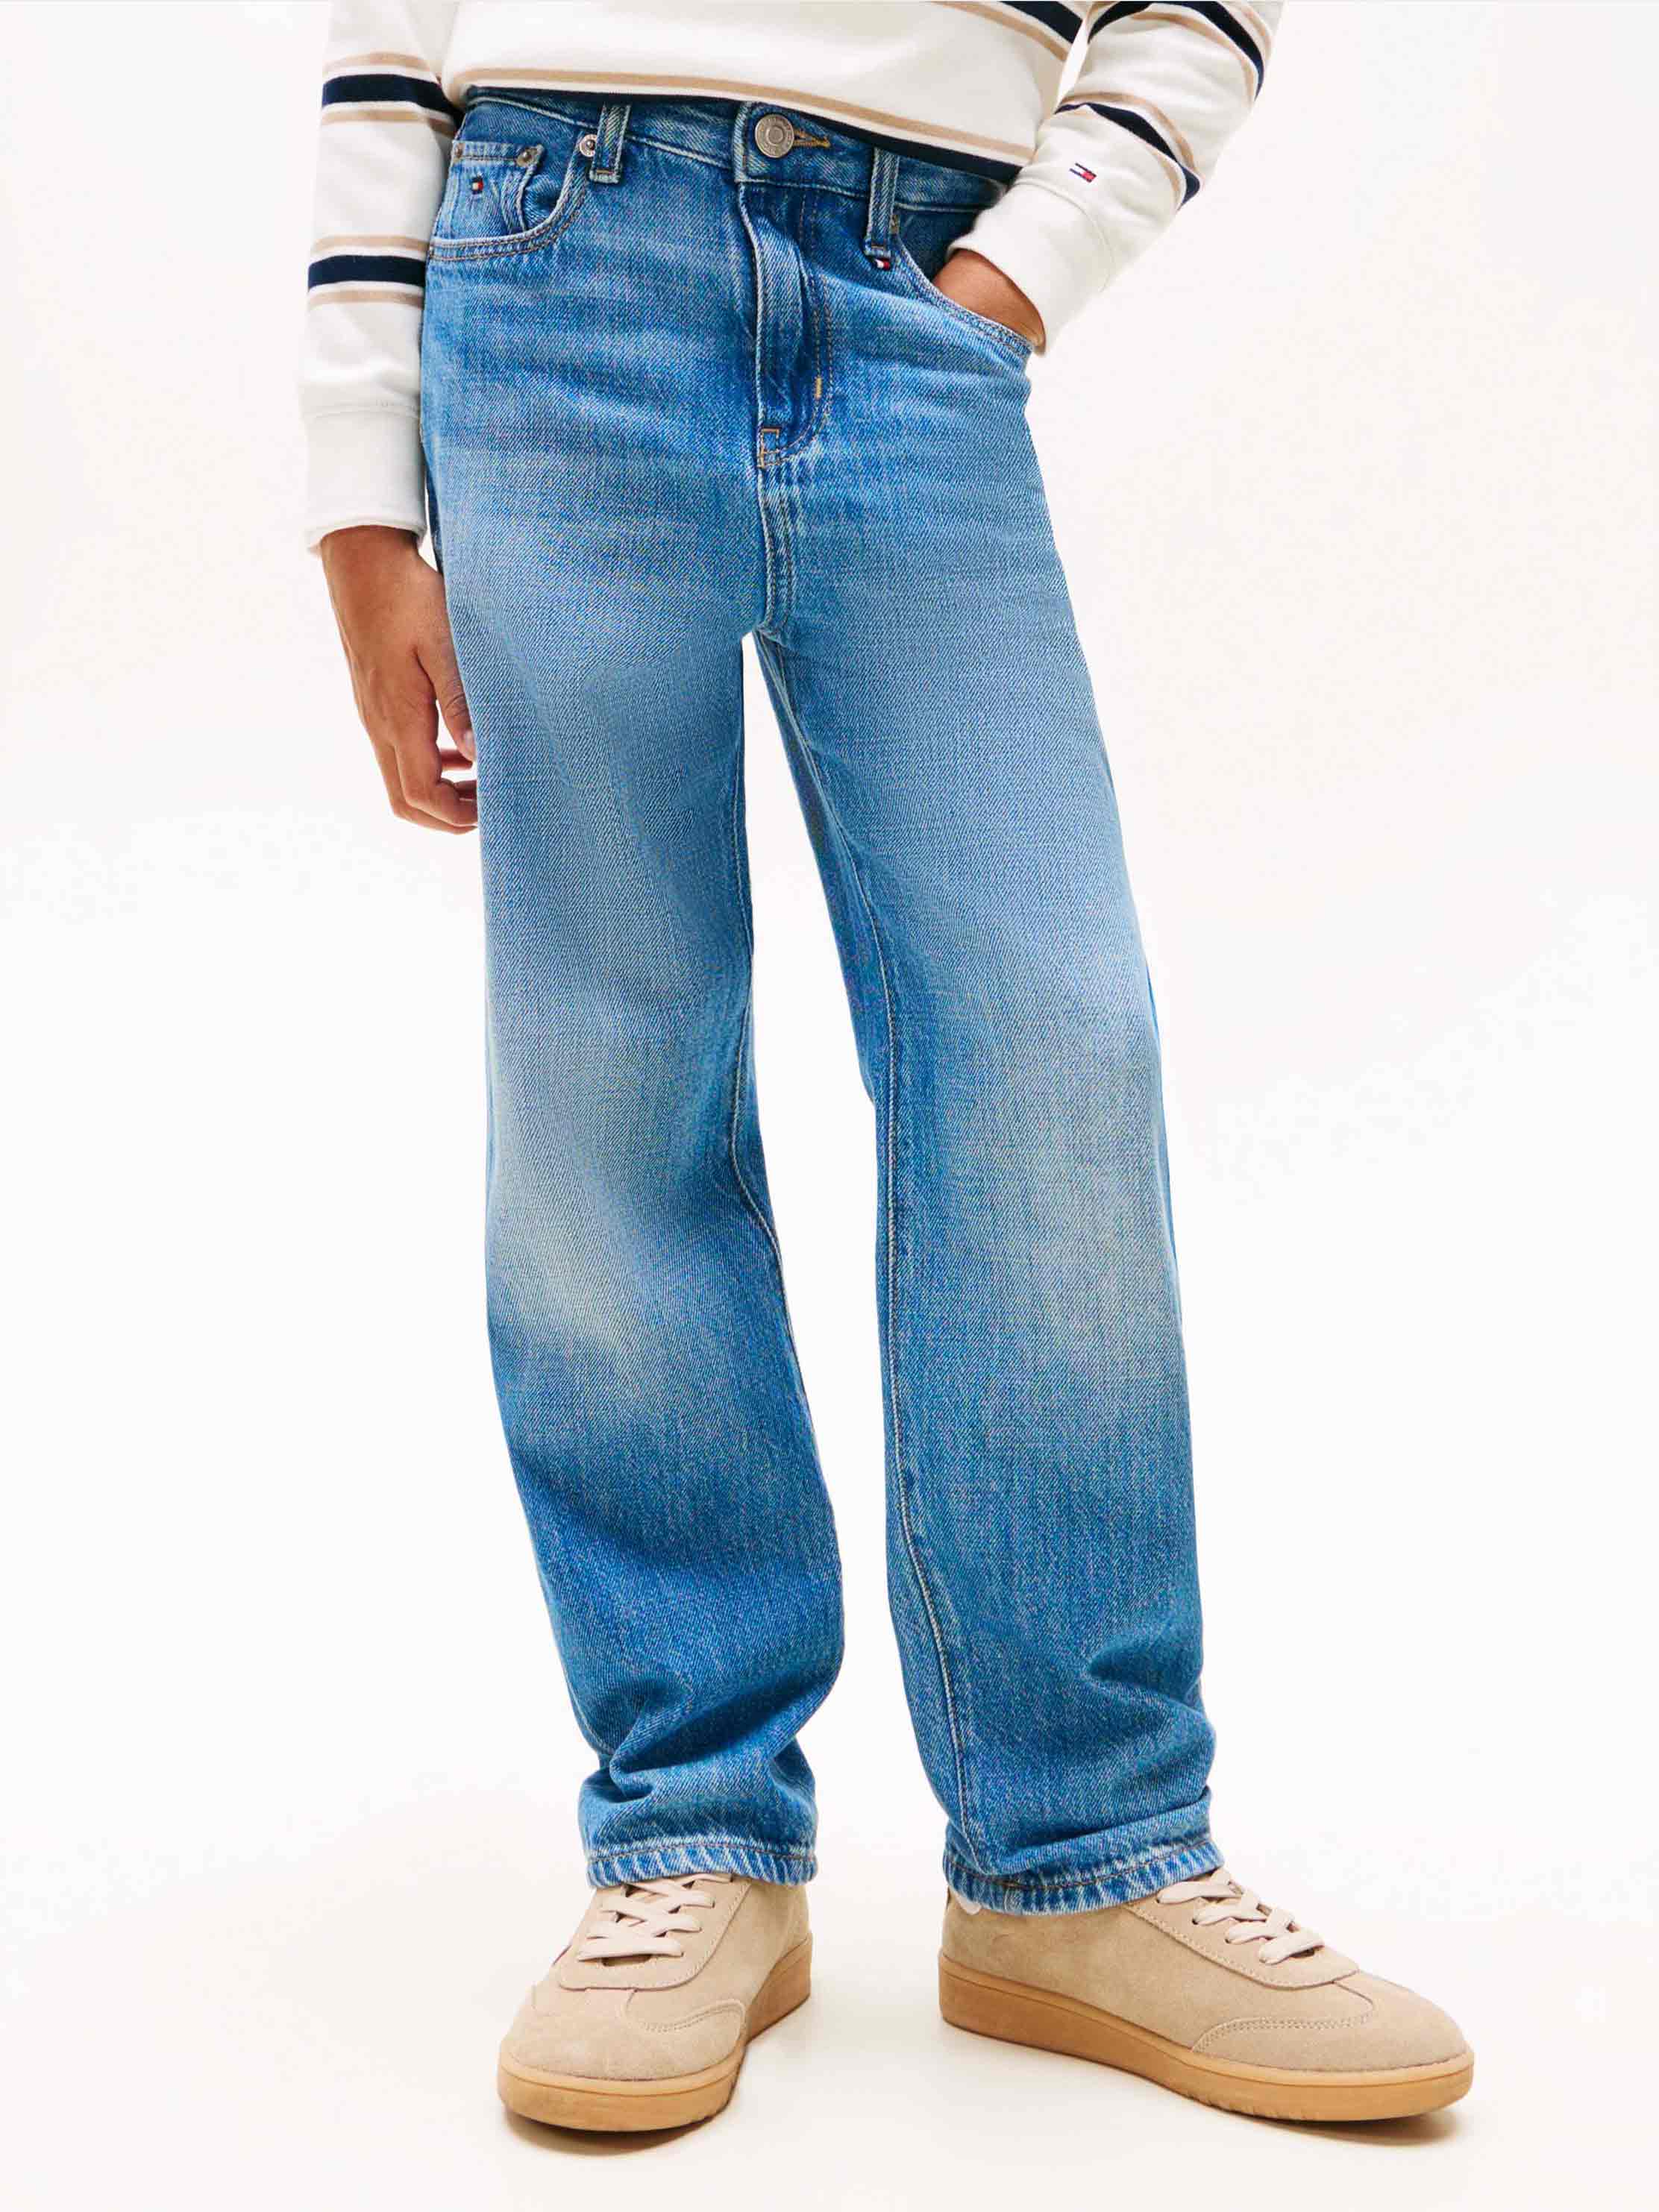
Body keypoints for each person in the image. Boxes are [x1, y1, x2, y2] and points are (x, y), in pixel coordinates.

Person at [305, 1, 1471, 2132]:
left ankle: (1085, 1855)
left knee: (1051, 1038)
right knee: (611, 1071)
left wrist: (1021, 267)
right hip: (550, 257)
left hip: (914, 280)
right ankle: (691, 1836)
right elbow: (392, 35)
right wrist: (358, 496)